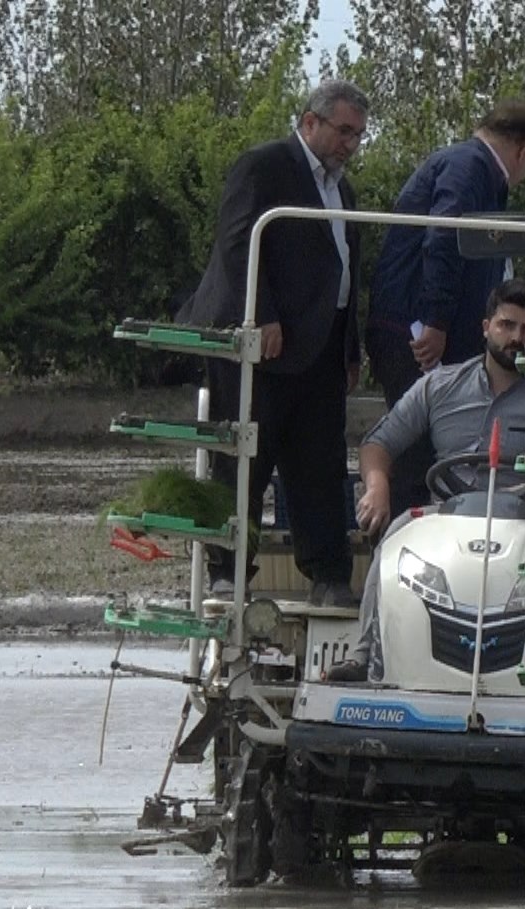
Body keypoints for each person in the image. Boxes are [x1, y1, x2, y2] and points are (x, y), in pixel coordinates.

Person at [326, 279, 525, 683]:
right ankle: (367, 654)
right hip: (447, 511)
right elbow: (377, 444)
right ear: (486, 327)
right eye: (507, 325)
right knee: (395, 537)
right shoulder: (438, 385)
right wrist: (378, 485)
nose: (516, 338)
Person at [177, 79, 368, 607]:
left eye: (358, 135)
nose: (350, 144)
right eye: (343, 131)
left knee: (321, 466)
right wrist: (261, 314)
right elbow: (238, 242)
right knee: (241, 461)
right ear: (310, 122)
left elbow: (345, 271)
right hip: (258, 346)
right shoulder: (263, 166)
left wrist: (349, 348)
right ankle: (226, 571)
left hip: (320, 350)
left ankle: (329, 575)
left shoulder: (342, 190)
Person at [366, 101, 525, 517]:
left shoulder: (464, 165)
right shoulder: (470, 167)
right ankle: (404, 537)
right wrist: (436, 319)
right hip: (415, 332)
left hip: (420, 326)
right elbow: (444, 237)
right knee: (414, 447)